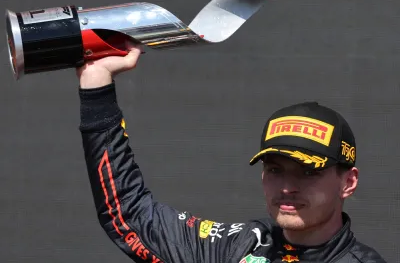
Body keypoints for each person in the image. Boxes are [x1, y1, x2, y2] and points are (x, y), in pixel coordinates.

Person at [76, 43, 387, 263]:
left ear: (348, 182)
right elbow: (131, 215)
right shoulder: (237, 246)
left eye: (308, 171)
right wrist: (96, 87)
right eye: (276, 169)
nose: (287, 187)